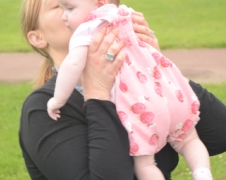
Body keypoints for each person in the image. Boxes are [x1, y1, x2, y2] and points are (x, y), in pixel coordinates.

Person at [19, 0, 226, 179]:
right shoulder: (42, 109)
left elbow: (219, 136)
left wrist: (158, 69)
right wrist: (97, 94)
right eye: (58, 5)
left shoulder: (135, 84)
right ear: (38, 38)